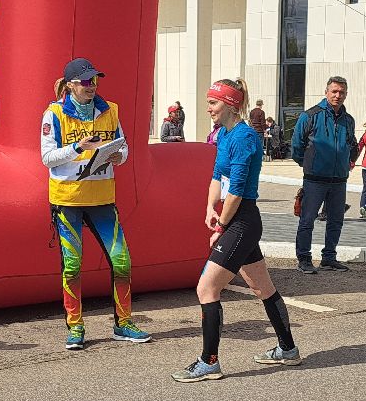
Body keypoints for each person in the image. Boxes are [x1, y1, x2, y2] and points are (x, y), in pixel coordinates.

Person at [173, 78, 299, 382]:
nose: (209, 108)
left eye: (214, 103)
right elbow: (218, 176)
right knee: (262, 288)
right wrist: (208, 209)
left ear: (231, 104)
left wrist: (223, 225)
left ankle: (209, 362)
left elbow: (239, 189)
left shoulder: (244, 137)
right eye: (209, 101)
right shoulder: (224, 134)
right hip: (236, 219)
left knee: (207, 288)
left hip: (242, 220)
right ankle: (288, 350)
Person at [40, 57, 151, 350]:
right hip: (68, 200)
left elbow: (123, 146)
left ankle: (123, 324)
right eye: (87, 81)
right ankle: (75, 327)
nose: (93, 86)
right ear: (71, 85)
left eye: (95, 81)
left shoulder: (110, 110)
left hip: (102, 200)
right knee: (73, 266)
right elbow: (47, 158)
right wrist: (78, 147)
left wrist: (119, 156)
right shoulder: (53, 114)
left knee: (122, 260)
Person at [291, 75, 357, 274]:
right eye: (334, 91)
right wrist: (309, 164)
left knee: (336, 221)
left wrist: (345, 164)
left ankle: (329, 258)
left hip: (339, 180)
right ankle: (304, 258)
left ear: (346, 94)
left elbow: (351, 144)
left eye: (342, 92)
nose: (338, 95)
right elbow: (296, 145)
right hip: (314, 180)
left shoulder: (348, 120)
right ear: (326, 92)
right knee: (307, 220)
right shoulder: (310, 116)